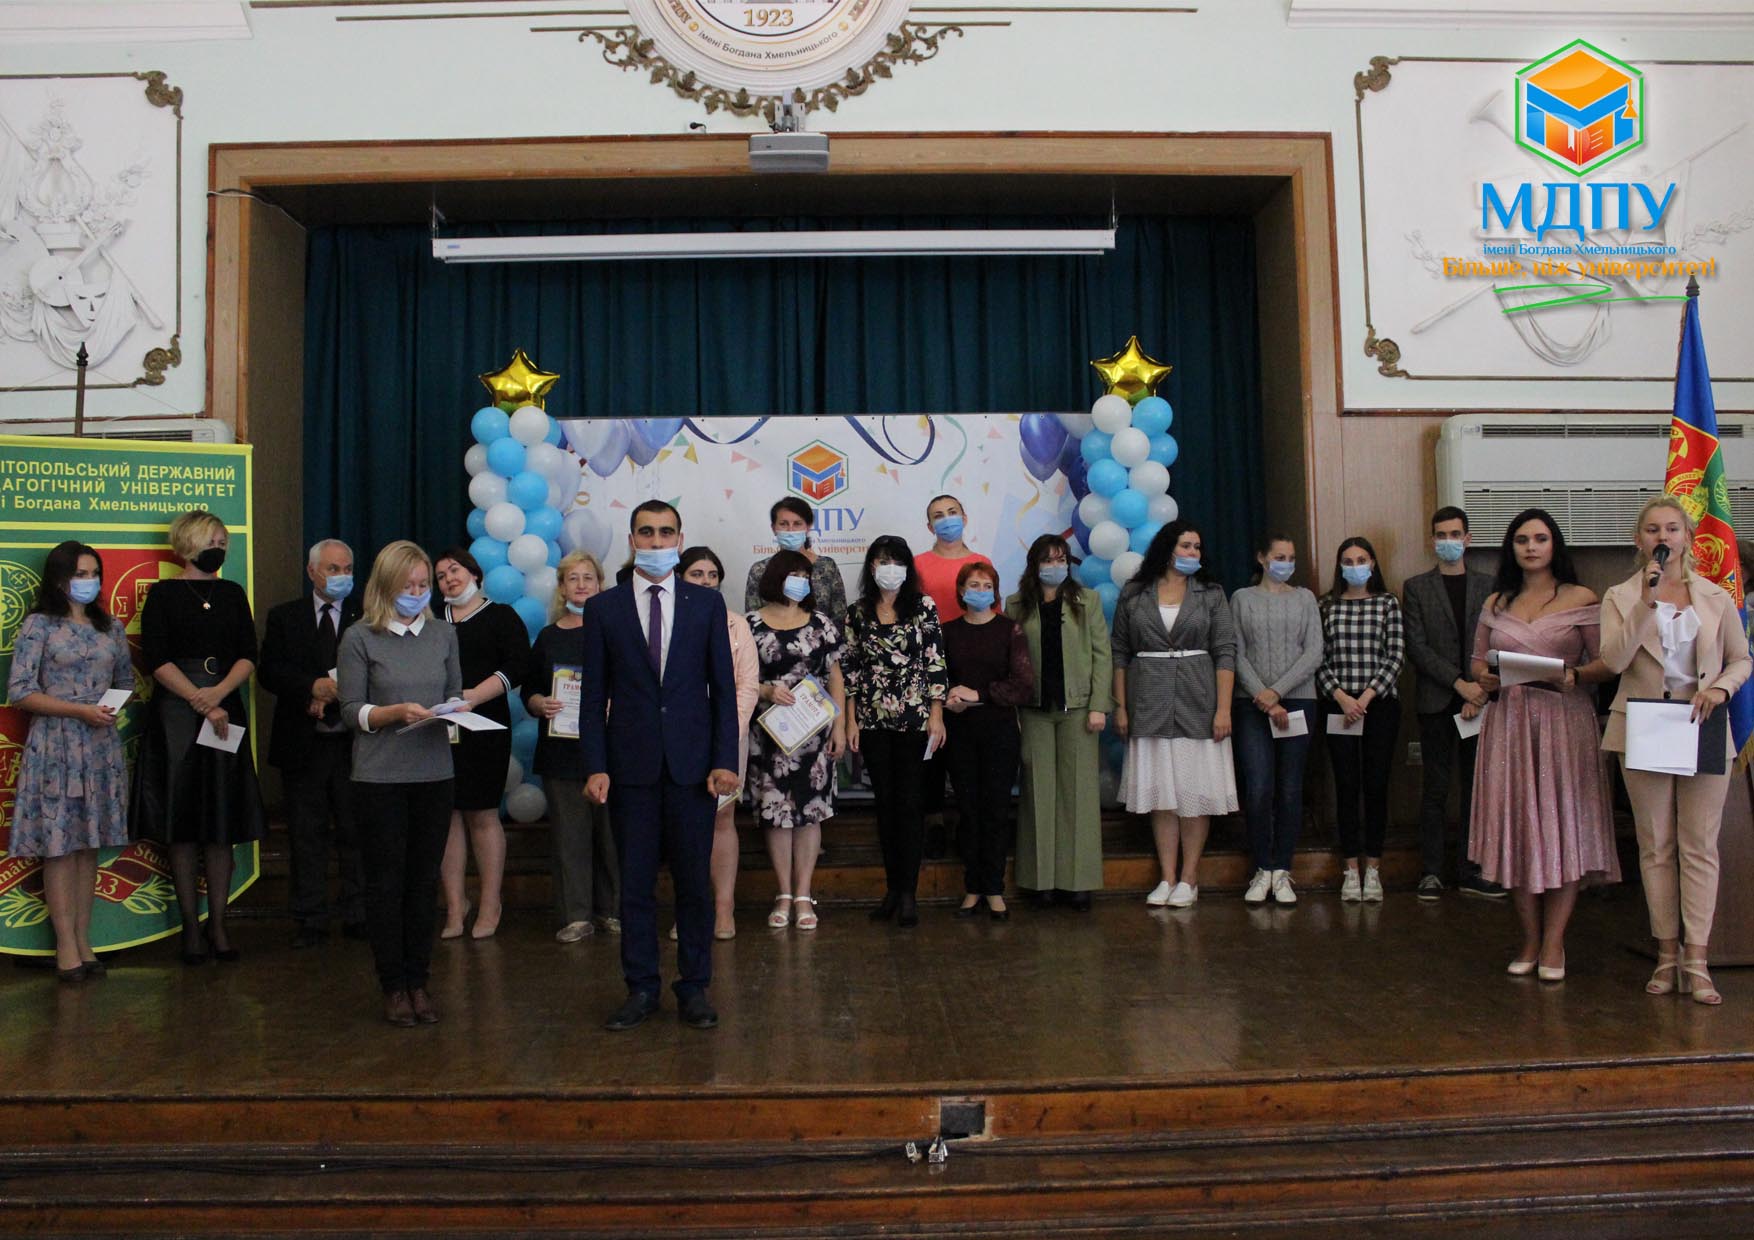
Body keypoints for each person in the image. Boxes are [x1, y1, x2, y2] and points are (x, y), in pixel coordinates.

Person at [581, 500, 739, 1032]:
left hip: (693, 768)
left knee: (694, 884)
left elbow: (723, 691)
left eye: (665, 533)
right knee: (635, 887)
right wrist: (595, 765)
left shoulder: (706, 604)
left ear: (679, 538)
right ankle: (642, 987)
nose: (655, 542)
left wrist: (724, 760)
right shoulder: (604, 608)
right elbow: (592, 697)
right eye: (646, 533)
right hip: (630, 769)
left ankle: (694, 987)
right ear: (631, 540)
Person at [1599, 497, 1751, 1004]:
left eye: (1671, 528)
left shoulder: (1715, 596)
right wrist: (1646, 602)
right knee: (1656, 844)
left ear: (1687, 536)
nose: (1662, 537)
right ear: (1639, 540)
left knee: (1699, 845)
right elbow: (1614, 660)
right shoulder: (1621, 596)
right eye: (1652, 529)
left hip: (1701, 724)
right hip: (1643, 725)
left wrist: (1721, 689)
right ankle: (1666, 953)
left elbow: (1741, 659)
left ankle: (1698, 960)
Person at [1468, 509, 1617, 982]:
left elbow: (1606, 663)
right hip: (1510, 723)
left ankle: (1554, 942)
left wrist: (1574, 674)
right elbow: (1477, 662)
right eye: (1521, 540)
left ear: (1555, 545)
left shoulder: (1581, 597)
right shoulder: (1496, 601)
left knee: (1562, 825)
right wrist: (1485, 678)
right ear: (1510, 548)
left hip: (1563, 722)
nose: (1531, 547)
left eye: (1540, 538)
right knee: (1519, 827)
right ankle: (1530, 939)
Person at [131, 509, 266, 964]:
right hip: (177, 711)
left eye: (224, 542)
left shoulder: (232, 593)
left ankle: (219, 925)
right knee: (182, 821)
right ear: (188, 543)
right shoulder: (163, 595)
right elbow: (157, 658)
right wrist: (199, 700)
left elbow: (248, 653)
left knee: (221, 819)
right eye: (213, 540)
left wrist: (219, 694)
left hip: (224, 705)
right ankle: (190, 927)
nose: (219, 548)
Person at [338, 541, 462, 1026]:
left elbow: (453, 691)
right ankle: (393, 984)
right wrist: (391, 713)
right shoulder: (359, 638)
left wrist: (454, 709)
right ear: (386, 586)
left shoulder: (443, 634)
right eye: (407, 585)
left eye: (423, 584)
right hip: (380, 777)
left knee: (423, 882)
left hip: (434, 774)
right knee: (386, 883)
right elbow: (350, 711)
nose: (416, 592)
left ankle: (419, 981)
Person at [6, 542, 133, 981]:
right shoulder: (39, 625)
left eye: (94, 573)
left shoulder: (110, 626)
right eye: (81, 574)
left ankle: (84, 939)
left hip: (99, 744)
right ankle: (65, 946)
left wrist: (107, 708)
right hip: (56, 744)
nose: (89, 581)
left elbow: (125, 681)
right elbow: (20, 690)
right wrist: (78, 710)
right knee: (59, 845)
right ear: (60, 579)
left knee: (87, 844)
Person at [1112, 520, 1238, 909]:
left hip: (1198, 700)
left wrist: (1223, 709)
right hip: (1148, 700)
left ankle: (1189, 878)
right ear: (1167, 549)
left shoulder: (1211, 593)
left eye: (1197, 547)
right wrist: (1121, 706)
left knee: (1193, 794)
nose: (1192, 553)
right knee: (1162, 795)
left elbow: (1226, 651)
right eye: (1186, 546)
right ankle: (1167, 877)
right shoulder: (1134, 592)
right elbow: (1120, 652)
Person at [260, 538, 368, 948]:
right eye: (333, 569)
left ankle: (358, 913)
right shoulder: (285, 617)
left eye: (347, 568)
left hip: (355, 743)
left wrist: (336, 694)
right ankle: (310, 917)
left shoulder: (366, 615)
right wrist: (311, 687)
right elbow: (270, 671)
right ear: (312, 572)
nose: (341, 576)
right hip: (303, 743)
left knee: (356, 832)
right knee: (306, 834)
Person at [843, 534, 948, 928]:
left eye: (897, 560)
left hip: (915, 719)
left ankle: (908, 893)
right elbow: (850, 670)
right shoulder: (857, 613)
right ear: (871, 566)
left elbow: (935, 662)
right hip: (872, 721)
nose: (889, 567)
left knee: (910, 804)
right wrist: (851, 719)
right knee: (885, 805)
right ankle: (891, 889)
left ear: (907, 567)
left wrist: (936, 715)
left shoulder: (923, 607)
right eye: (882, 560)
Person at [1402, 507, 1503, 902]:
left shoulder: (1489, 585)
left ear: (1468, 539)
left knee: (1475, 789)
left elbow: (1497, 642)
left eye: (1455, 534)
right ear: (1432, 540)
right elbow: (1417, 648)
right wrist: (1461, 685)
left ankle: (1470, 869)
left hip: (1481, 699)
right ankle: (1431, 872)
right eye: (1441, 535)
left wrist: (1479, 691)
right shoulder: (1416, 587)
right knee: (1435, 788)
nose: (1448, 541)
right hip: (1437, 700)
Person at [1005, 534, 1111, 911]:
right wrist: (1012, 710)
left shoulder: (1087, 601)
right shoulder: (1016, 604)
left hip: (1078, 709)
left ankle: (1077, 882)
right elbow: (1009, 660)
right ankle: (1041, 882)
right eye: (1047, 560)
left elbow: (1102, 655)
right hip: (1033, 710)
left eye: (1061, 559)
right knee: (1037, 794)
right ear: (1035, 565)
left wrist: (1099, 705)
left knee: (1078, 794)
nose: (1055, 566)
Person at [745, 549, 847, 931]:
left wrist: (839, 726)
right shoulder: (751, 624)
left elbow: (836, 677)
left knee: (810, 812)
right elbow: (739, 678)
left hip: (814, 734)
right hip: (768, 734)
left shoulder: (821, 623)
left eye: (806, 576)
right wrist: (766, 691)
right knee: (776, 814)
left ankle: (803, 893)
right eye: (794, 575)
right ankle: (783, 893)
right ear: (776, 577)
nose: (801, 581)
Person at [433, 547, 530, 940]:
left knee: (482, 814)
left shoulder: (501, 616)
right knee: (447, 815)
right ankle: (456, 905)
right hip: (438, 730)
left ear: (475, 574)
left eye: (455, 570)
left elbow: (517, 665)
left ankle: (491, 903)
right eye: (441, 576)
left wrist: (473, 697)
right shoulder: (430, 621)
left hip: (485, 727)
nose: (449, 579)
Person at [524, 551, 619, 943]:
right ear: (562, 588)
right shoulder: (549, 637)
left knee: (613, 837)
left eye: (588, 577)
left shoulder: (616, 631)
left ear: (600, 585)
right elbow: (529, 689)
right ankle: (576, 917)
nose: (581, 585)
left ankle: (614, 911)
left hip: (612, 750)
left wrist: (617, 703)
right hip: (561, 751)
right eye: (573, 578)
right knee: (570, 837)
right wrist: (538, 703)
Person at [1230, 533, 1322, 907]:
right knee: (1258, 787)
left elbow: (1314, 652)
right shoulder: (1241, 598)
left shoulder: (1305, 598)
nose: (1286, 563)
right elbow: (1235, 653)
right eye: (1279, 556)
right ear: (1262, 558)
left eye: (1291, 557)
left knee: (1290, 787)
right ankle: (1262, 868)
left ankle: (1282, 868)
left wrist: (1278, 692)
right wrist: (1264, 697)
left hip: (1298, 700)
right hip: (1251, 704)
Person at [942, 561, 1034, 920]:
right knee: (968, 810)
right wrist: (950, 696)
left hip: (999, 731)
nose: (980, 591)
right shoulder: (948, 631)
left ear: (995, 591)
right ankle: (973, 887)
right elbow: (936, 678)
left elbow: (1023, 685)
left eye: (986, 585)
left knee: (996, 810)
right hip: (959, 731)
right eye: (973, 584)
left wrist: (978, 694)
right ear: (960, 590)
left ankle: (994, 888)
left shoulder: (1010, 629)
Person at [1316, 536, 1404, 903]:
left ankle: (1374, 868)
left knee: (1376, 785)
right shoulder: (1326, 605)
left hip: (1378, 705)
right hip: (1338, 705)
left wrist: (1365, 697)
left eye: (1362, 559)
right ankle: (1350, 868)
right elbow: (1318, 658)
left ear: (1373, 564)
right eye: (1348, 561)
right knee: (1346, 786)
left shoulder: (1388, 603)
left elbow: (1395, 655)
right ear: (1340, 566)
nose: (1355, 566)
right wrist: (1341, 696)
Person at [680, 546, 761, 938]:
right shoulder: (667, 622)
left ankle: (724, 909)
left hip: (728, 738)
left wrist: (728, 732)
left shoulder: (736, 625)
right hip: (679, 737)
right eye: (697, 574)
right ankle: (690, 911)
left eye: (713, 575)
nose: (706, 581)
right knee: (684, 823)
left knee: (722, 819)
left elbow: (747, 686)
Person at [742, 497, 848, 621]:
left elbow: (839, 616)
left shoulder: (827, 567)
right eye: (783, 524)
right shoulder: (759, 570)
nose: (790, 530)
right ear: (773, 528)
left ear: (808, 527)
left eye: (797, 524)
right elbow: (752, 619)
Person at [912, 494, 992, 624]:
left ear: (964, 519)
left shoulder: (982, 563)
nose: (947, 519)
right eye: (938, 516)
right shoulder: (917, 564)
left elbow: (993, 611)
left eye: (952, 512)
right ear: (930, 527)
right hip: (933, 636)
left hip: (977, 635)